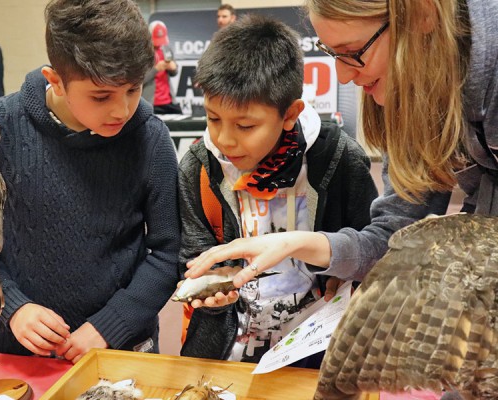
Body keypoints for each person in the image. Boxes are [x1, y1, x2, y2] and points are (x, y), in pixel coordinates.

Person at [185, 0, 498, 346]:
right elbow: (393, 238)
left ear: (423, 14)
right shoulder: (407, 97)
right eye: (333, 53)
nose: (344, 76)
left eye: (352, 52)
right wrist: (300, 242)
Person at [0, 0, 180, 363]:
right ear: (54, 79)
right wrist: (13, 305)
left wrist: (112, 323)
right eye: (101, 96)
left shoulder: (150, 137)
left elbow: (169, 253)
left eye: (134, 89)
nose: (122, 110)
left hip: (123, 348)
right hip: (25, 348)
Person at [178, 14, 378, 366]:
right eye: (212, 118)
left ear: (290, 114)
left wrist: (348, 283)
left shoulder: (338, 158)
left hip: (318, 351)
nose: (224, 139)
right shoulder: (199, 166)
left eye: (245, 125)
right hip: (224, 353)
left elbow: (371, 248)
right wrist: (211, 285)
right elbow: (193, 254)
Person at [142, 20, 181, 114]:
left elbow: (174, 73)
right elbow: (139, 79)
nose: (159, 44)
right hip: (150, 102)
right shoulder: (142, 52)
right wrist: (156, 69)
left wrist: (173, 68)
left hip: (169, 100)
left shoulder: (167, 49)